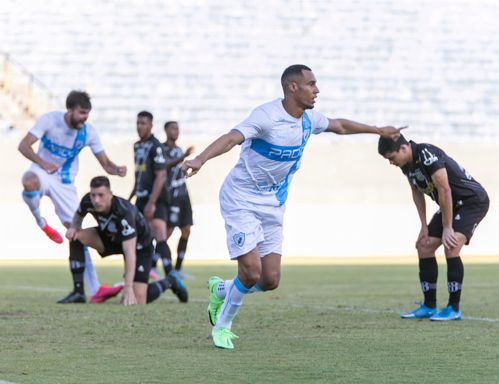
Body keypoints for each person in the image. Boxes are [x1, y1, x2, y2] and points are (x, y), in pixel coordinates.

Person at [182, 64, 404, 349]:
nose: (317, 89)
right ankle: (222, 327)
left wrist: (377, 130)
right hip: (241, 200)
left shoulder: (309, 119)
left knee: (270, 279)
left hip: (273, 203)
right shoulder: (266, 116)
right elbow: (231, 138)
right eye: (311, 83)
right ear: (293, 87)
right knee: (250, 272)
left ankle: (221, 289)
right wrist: (200, 159)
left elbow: (339, 126)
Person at [18, 90, 127, 303]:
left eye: (87, 114)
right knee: (29, 180)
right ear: (70, 110)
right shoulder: (50, 120)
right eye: (81, 113)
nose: (84, 118)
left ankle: (93, 288)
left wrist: (116, 169)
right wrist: (43, 163)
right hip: (42, 172)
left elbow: (105, 163)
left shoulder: (88, 132)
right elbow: (23, 145)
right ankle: (41, 222)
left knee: (75, 232)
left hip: (65, 183)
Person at [378, 134, 489, 321]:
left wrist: (447, 228)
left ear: (403, 149)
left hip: (472, 201)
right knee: (424, 245)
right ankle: (429, 306)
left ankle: (453, 309)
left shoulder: (427, 155)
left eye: (391, 157)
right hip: (451, 204)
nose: (391, 163)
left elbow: (445, 189)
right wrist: (423, 227)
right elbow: (417, 193)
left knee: (451, 245)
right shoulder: (407, 166)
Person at [58, 176, 187, 304]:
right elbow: (78, 217)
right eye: (93, 195)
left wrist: (128, 287)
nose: (96, 200)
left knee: (137, 299)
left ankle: (170, 281)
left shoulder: (124, 212)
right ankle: (78, 292)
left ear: (110, 194)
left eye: (101, 195)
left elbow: (129, 252)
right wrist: (74, 228)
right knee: (75, 236)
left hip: (139, 246)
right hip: (112, 238)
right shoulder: (88, 200)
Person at [129, 111, 188, 302]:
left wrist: (152, 203)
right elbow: (139, 174)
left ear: (151, 125)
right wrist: (132, 195)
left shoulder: (155, 147)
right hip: (141, 198)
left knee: (160, 235)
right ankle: (140, 277)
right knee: (139, 238)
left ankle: (172, 276)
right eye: (138, 123)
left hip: (156, 199)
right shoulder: (137, 146)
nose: (140, 126)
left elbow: (161, 175)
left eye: (144, 123)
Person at [163, 121, 194, 277]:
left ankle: (178, 268)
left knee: (186, 230)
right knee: (167, 231)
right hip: (172, 196)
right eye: (173, 128)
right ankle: (153, 265)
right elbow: (165, 166)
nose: (176, 131)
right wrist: (183, 157)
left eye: (178, 128)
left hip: (184, 196)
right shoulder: (162, 149)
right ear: (166, 130)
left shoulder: (178, 149)